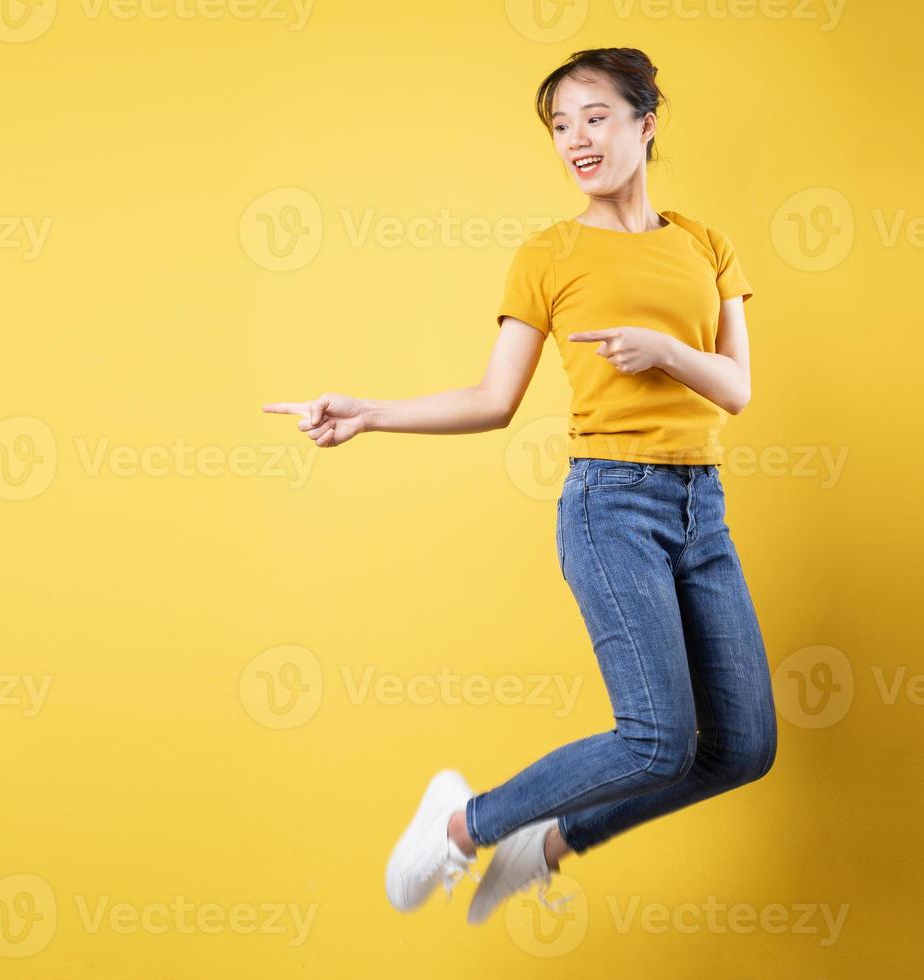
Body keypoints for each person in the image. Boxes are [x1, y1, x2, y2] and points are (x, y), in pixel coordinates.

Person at [262, 46, 778, 926]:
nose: (575, 139)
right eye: (559, 126)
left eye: (595, 117)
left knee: (741, 750)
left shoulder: (705, 244)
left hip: (703, 510)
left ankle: (543, 845)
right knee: (655, 739)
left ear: (645, 124)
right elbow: (492, 400)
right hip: (612, 506)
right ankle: (464, 823)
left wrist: (665, 353)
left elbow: (734, 388)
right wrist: (371, 411)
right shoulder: (548, 255)